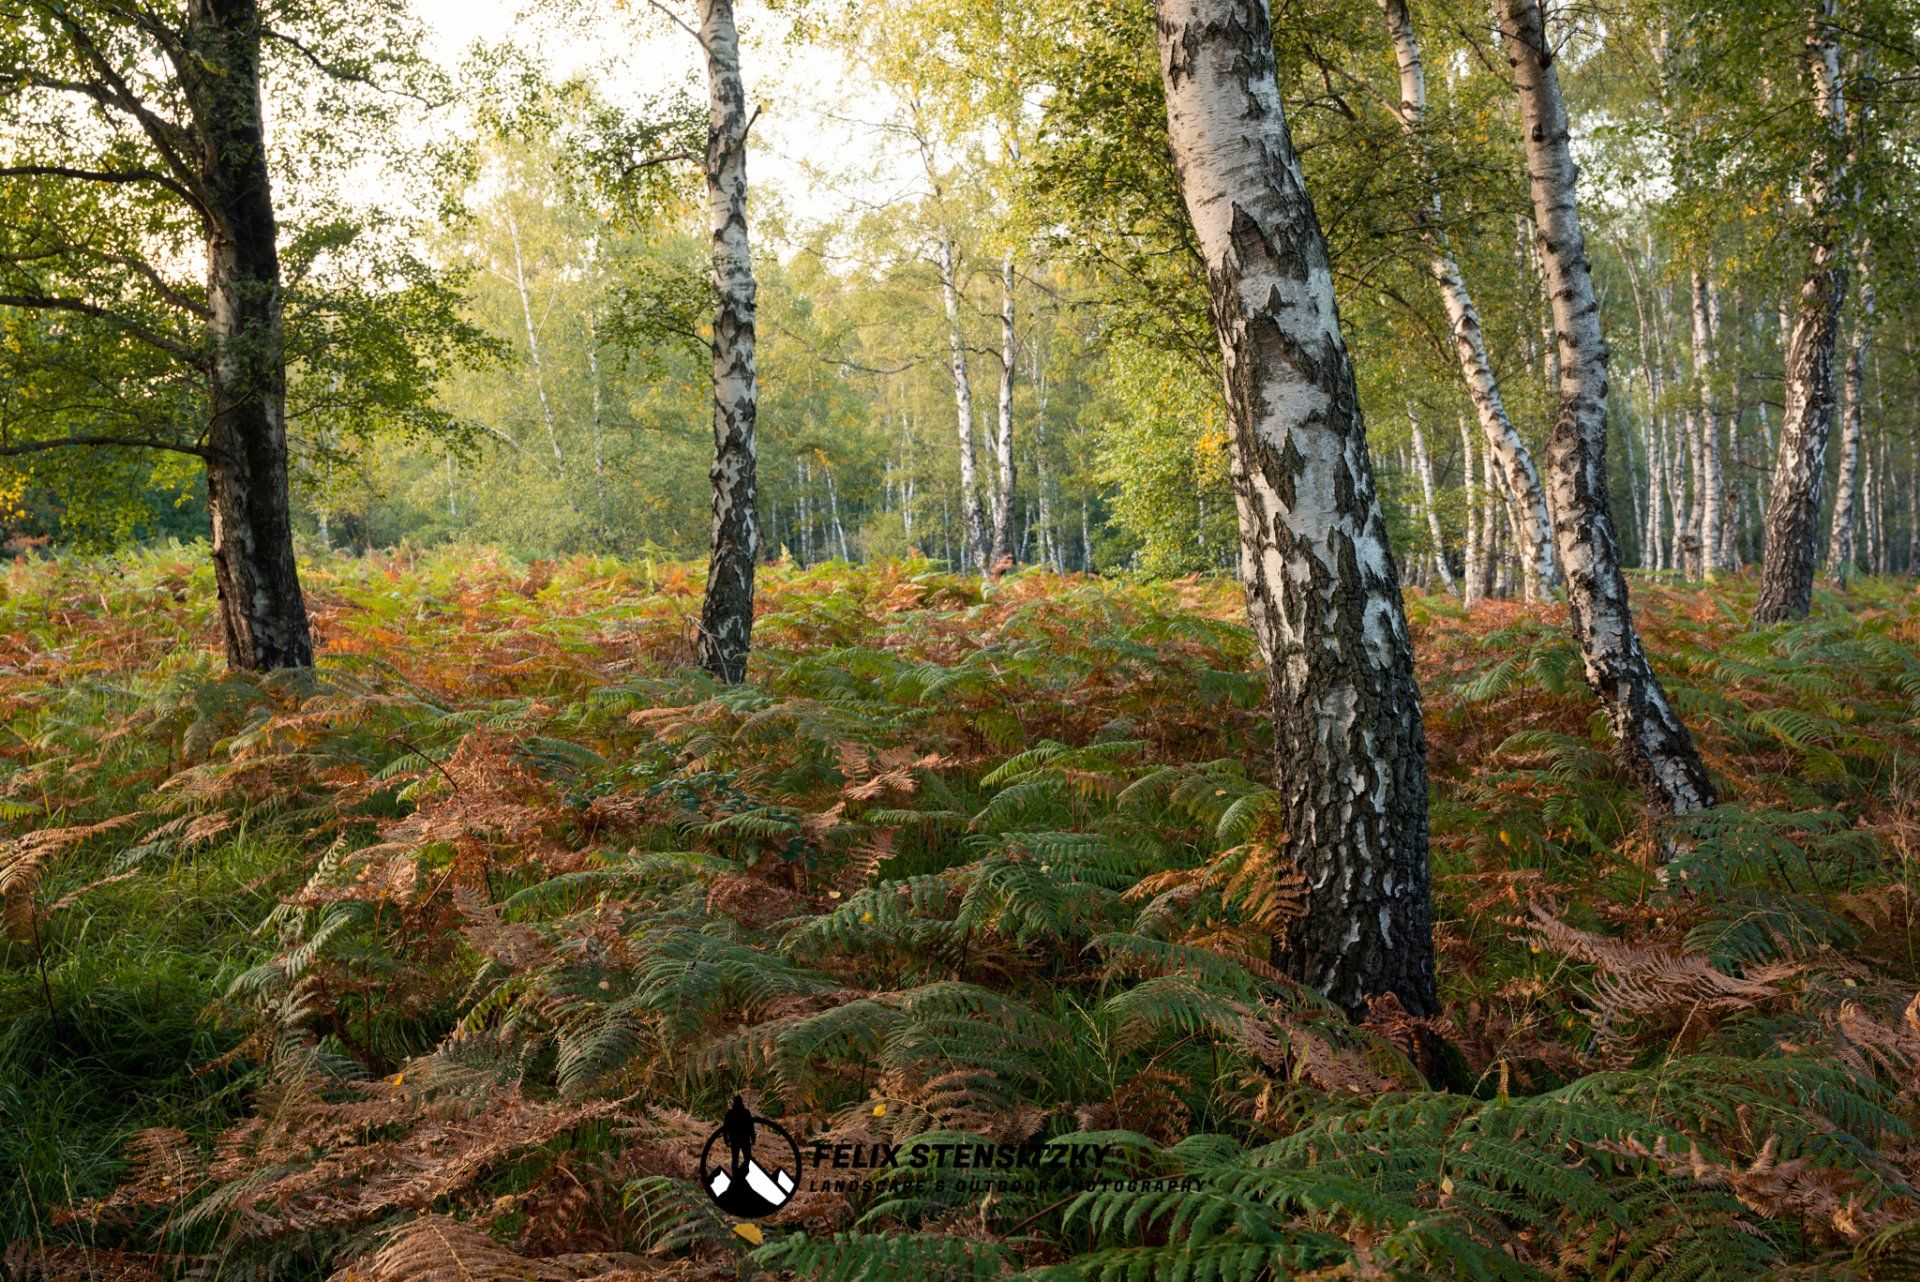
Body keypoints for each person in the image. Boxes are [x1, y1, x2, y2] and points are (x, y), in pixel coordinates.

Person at [721, 1094, 755, 1174]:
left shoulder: (730, 1113)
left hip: (735, 1139)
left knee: (738, 1159)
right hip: (743, 1138)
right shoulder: (745, 1112)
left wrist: (726, 1139)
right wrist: (753, 1138)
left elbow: (725, 1128)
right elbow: (751, 1127)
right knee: (744, 1158)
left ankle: (738, 1174)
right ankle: (740, 1174)